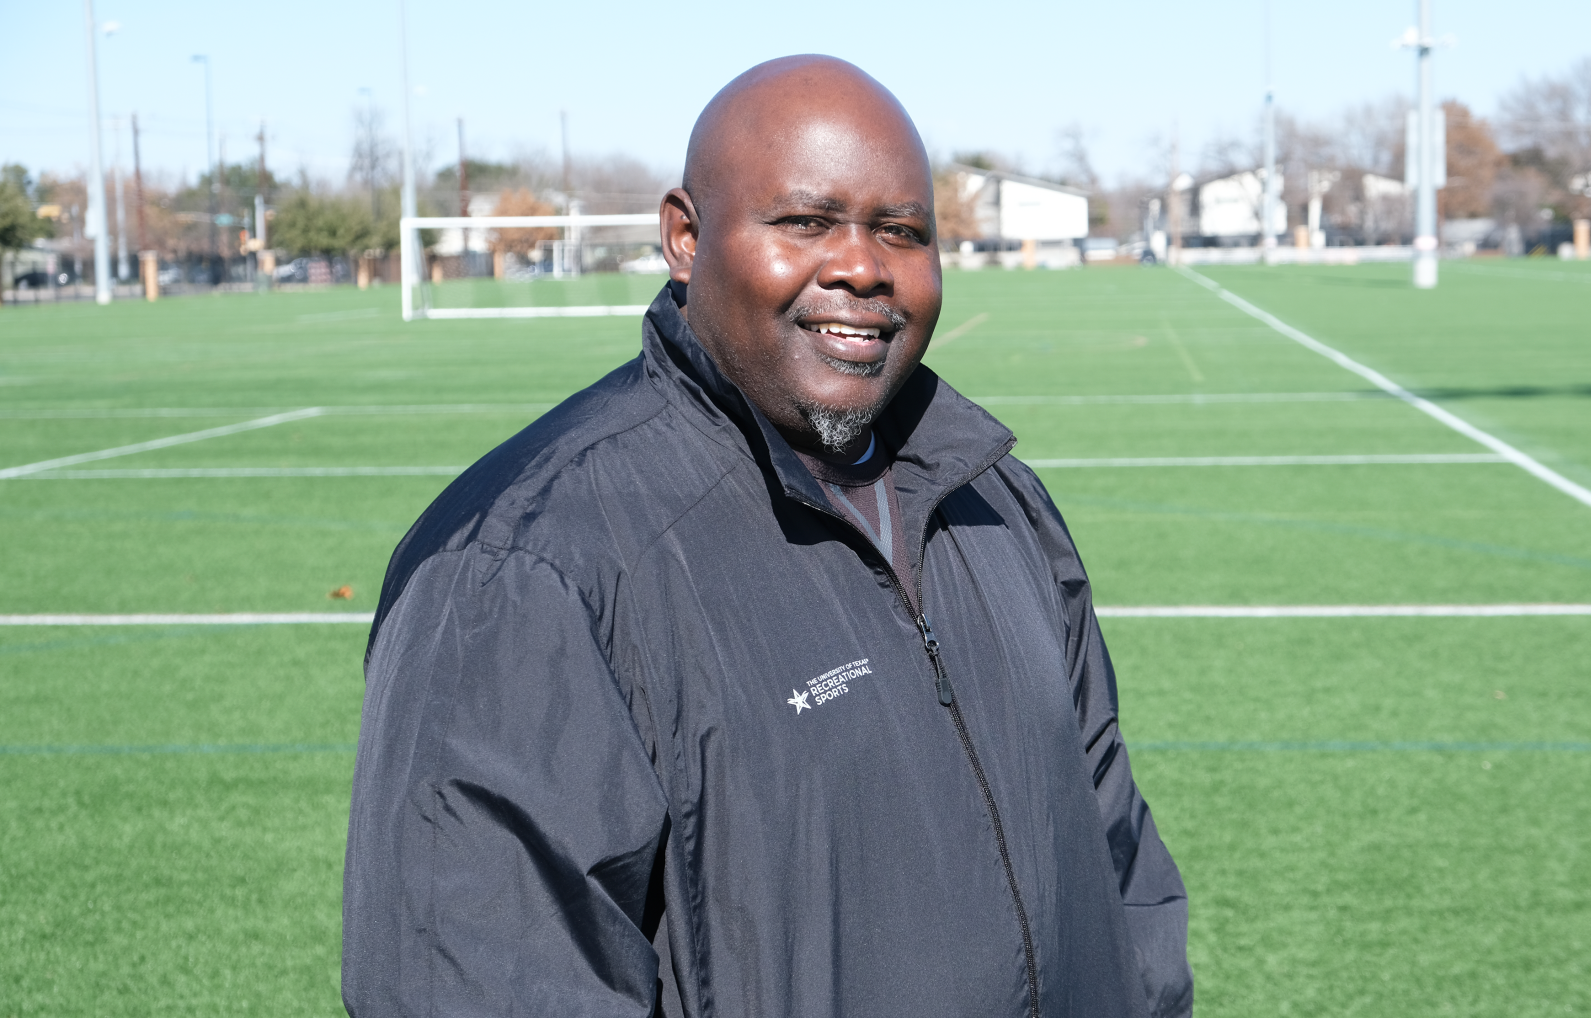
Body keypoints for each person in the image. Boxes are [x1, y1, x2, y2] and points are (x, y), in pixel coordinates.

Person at [343, 55, 1192, 1018]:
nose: (861, 266)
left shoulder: (997, 501)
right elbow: (480, 983)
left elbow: (1117, 857)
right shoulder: (524, 567)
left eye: (901, 231)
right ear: (685, 236)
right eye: (804, 222)